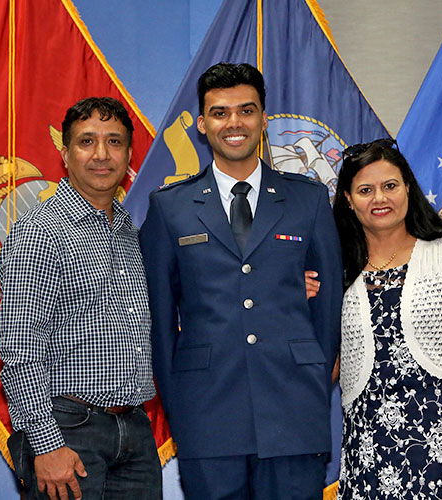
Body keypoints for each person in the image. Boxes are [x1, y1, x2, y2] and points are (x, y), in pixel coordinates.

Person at [139, 62, 343, 500]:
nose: (234, 123)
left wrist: (311, 382)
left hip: (293, 411)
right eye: (220, 112)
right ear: (201, 124)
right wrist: (180, 406)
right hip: (206, 414)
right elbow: (158, 320)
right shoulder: (169, 208)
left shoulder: (307, 200)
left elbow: (327, 310)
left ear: (263, 119)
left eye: (246, 110)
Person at [0, 97, 161, 500]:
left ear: (129, 154)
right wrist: (46, 444)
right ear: (65, 154)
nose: (101, 154)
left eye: (115, 142)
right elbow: (19, 348)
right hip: (68, 430)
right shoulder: (40, 231)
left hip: (135, 433)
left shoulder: (129, 232)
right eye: (87, 141)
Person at [332, 138, 442, 499]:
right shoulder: (335, 271)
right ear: (348, 198)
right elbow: (328, 366)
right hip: (370, 455)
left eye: (390, 186)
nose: (380, 198)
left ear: (408, 187)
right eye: (365, 190)